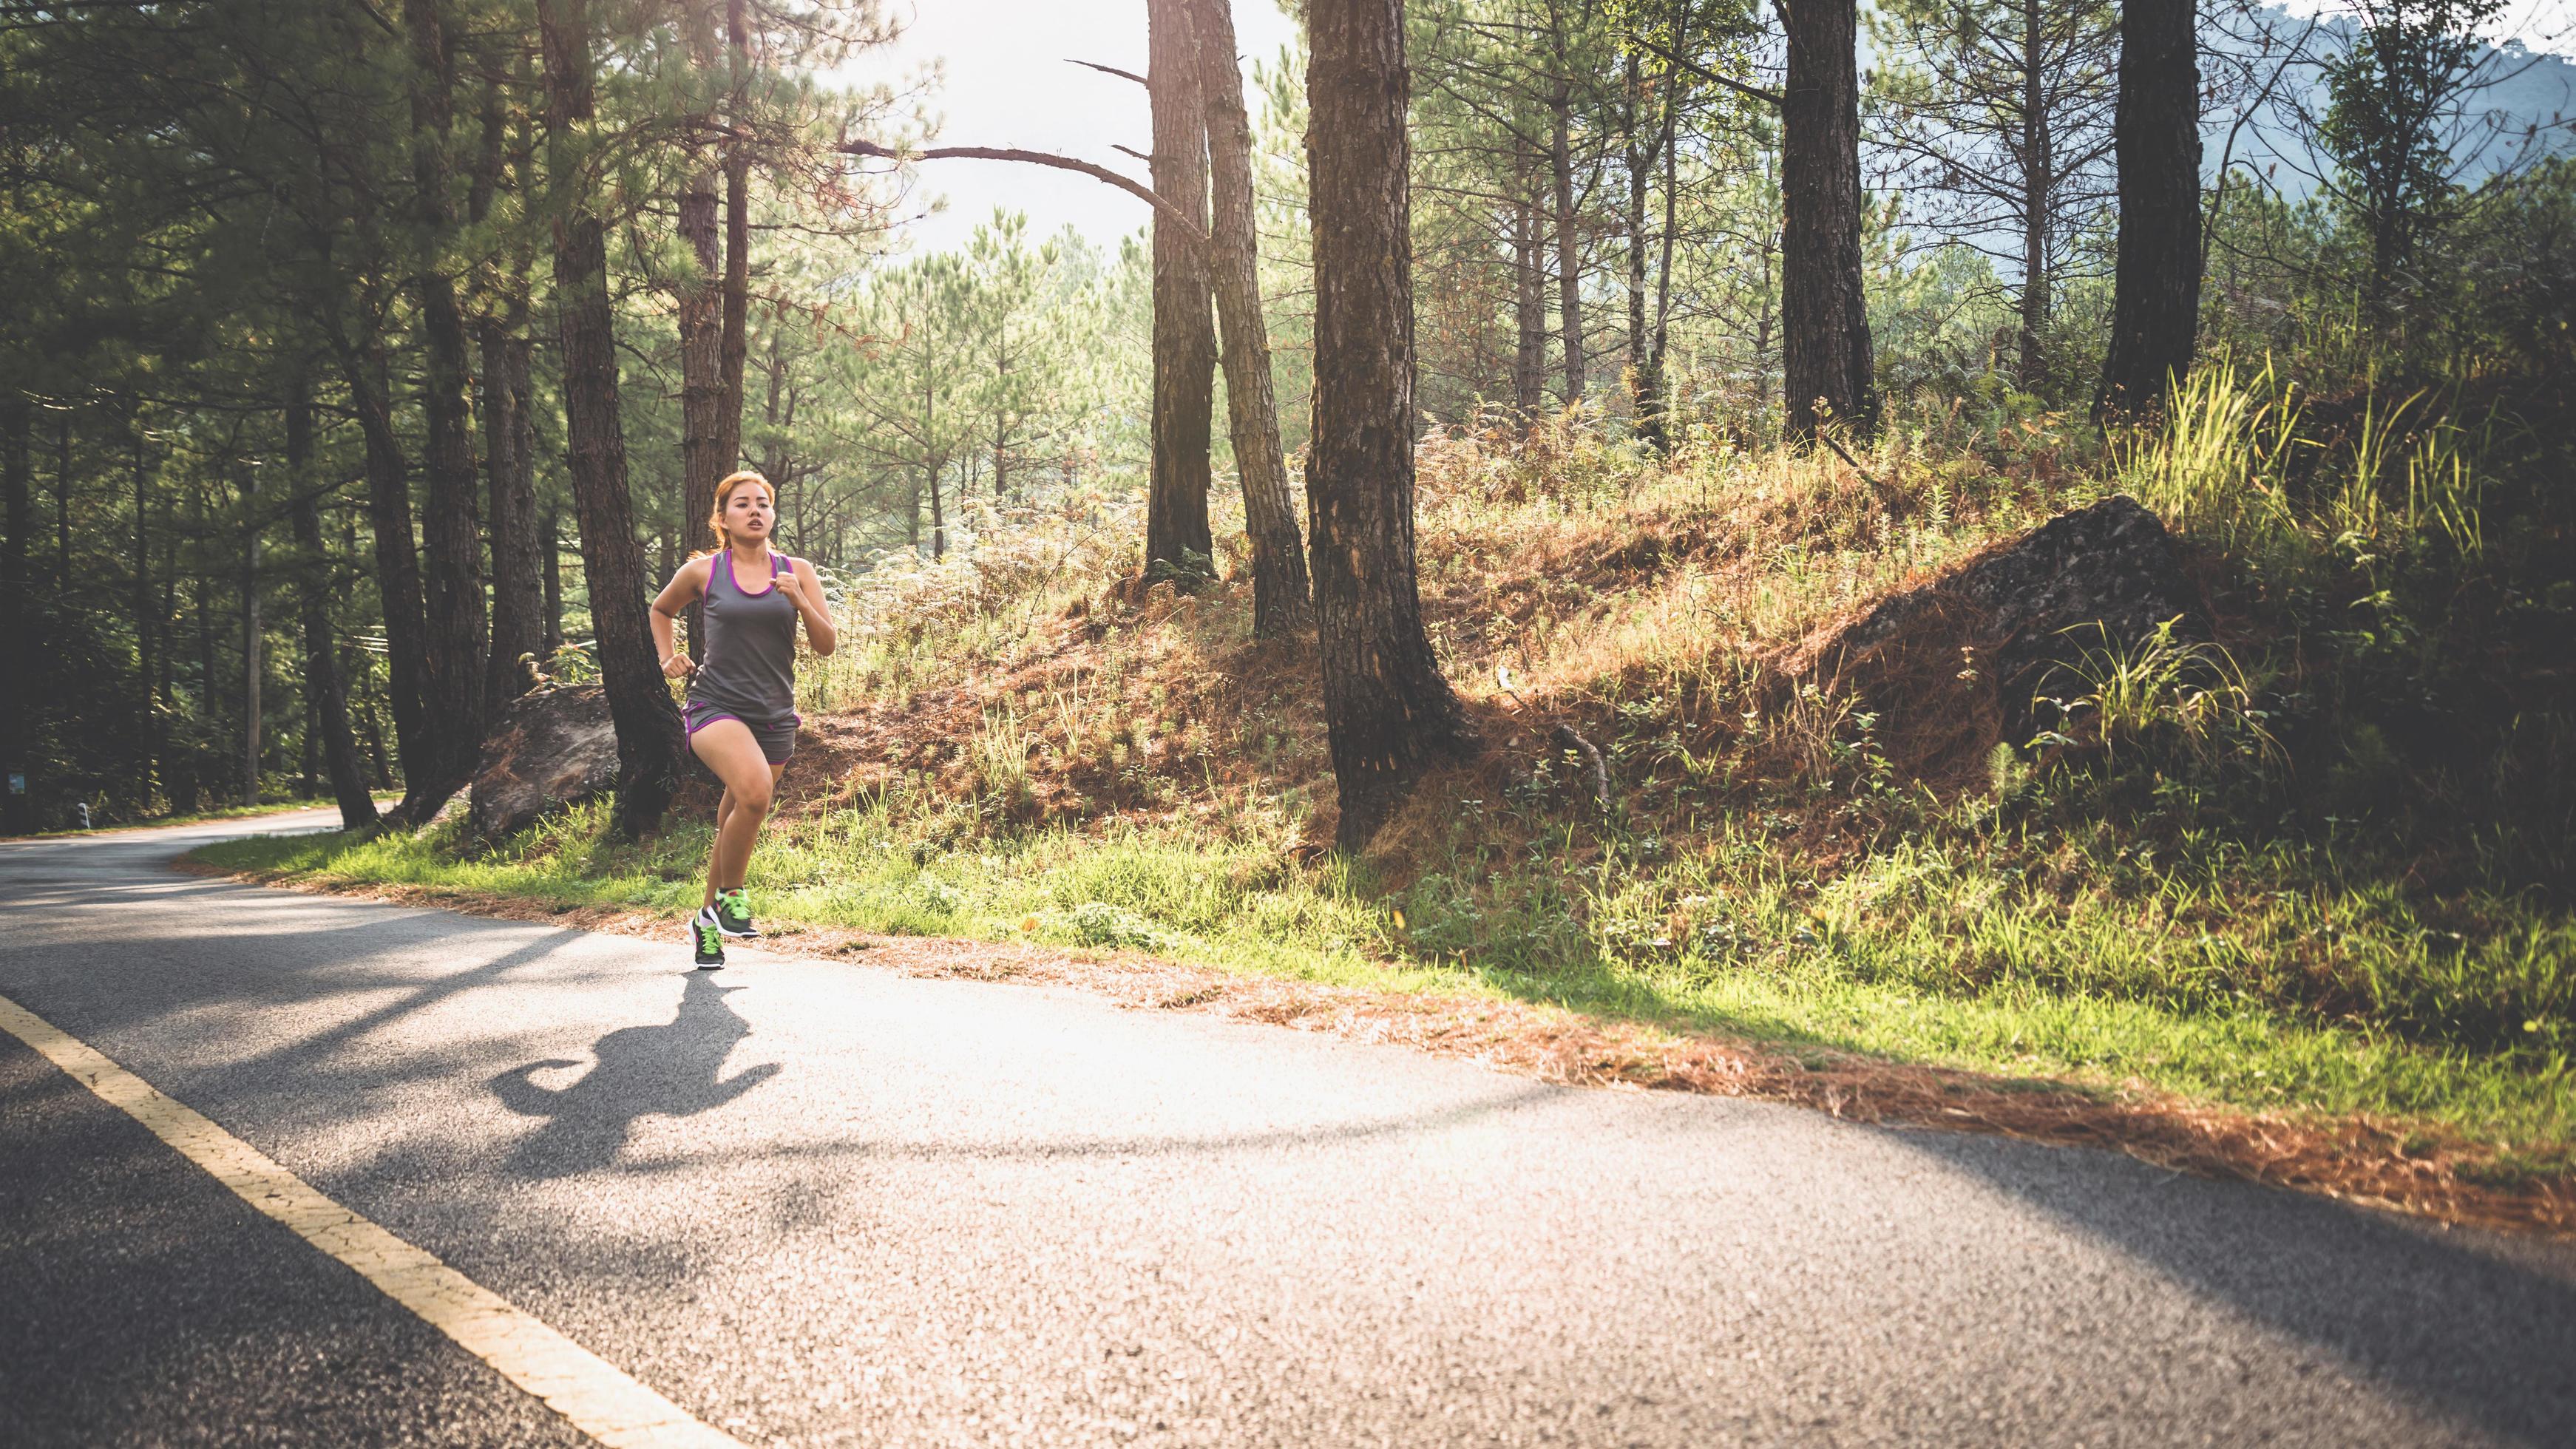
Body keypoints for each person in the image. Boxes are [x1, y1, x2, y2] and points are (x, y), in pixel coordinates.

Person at [651, 470, 837, 968]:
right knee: (755, 794)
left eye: (763, 503)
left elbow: (826, 645)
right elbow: (661, 609)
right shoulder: (705, 572)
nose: (755, 510)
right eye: (742, 504)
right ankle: (733, 896)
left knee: (735, 817)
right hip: (716, 705)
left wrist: (799, 599)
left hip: (774, 714)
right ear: (722, 518)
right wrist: (668, 657)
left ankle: (706, 922)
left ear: (773, 515)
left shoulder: (796, 570)